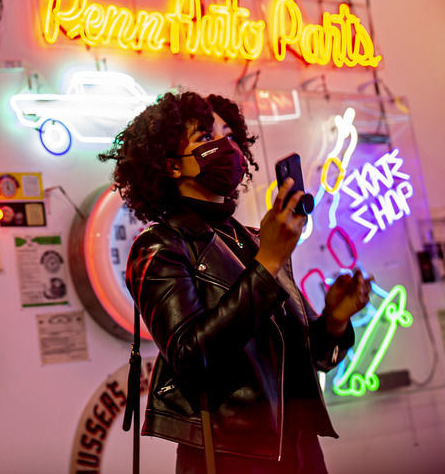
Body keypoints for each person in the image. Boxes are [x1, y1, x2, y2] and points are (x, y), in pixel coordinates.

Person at [100, 91, 370, 473]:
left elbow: (317, 359)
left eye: (228, 135)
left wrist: (336, 319)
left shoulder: (255, 240)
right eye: (206, 138)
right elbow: (192, 359)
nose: (224, 146)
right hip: (230, 459)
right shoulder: (159, 246)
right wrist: (269, 262)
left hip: (301, 455)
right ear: (173, 166)